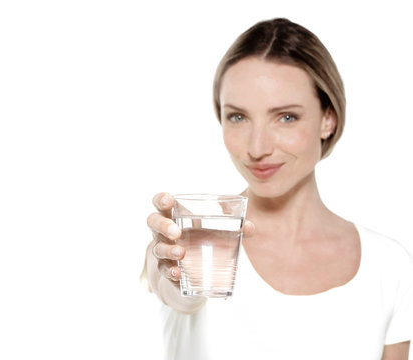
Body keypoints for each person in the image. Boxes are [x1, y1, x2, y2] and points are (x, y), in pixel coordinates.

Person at [143, 18, 413, 360]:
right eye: (238, 117)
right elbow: (174, 288)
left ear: (328, 118)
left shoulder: (389, 266)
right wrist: (171, 269)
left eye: (286, 117)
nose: (257, 147)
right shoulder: (196, 239)